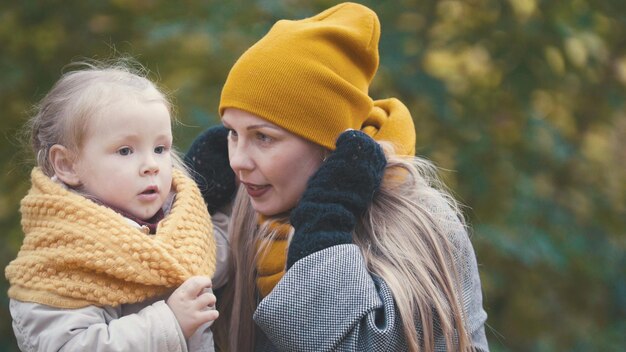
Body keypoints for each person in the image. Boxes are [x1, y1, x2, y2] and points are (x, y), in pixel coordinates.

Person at [186, 2, 489, 351]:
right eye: (232, 133)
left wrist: (324, 226)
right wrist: (183, 206)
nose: (238, 160)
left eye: (263, 137)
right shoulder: (240, 210)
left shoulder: (422, 226)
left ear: (328, 143)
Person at [5, 61, 219, 352]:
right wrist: (170, 323)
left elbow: (226, 250)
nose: (150, 166)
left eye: (160, 148)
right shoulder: (59, 258)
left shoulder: (184, 224)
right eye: (125, 151)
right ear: (68, 165)